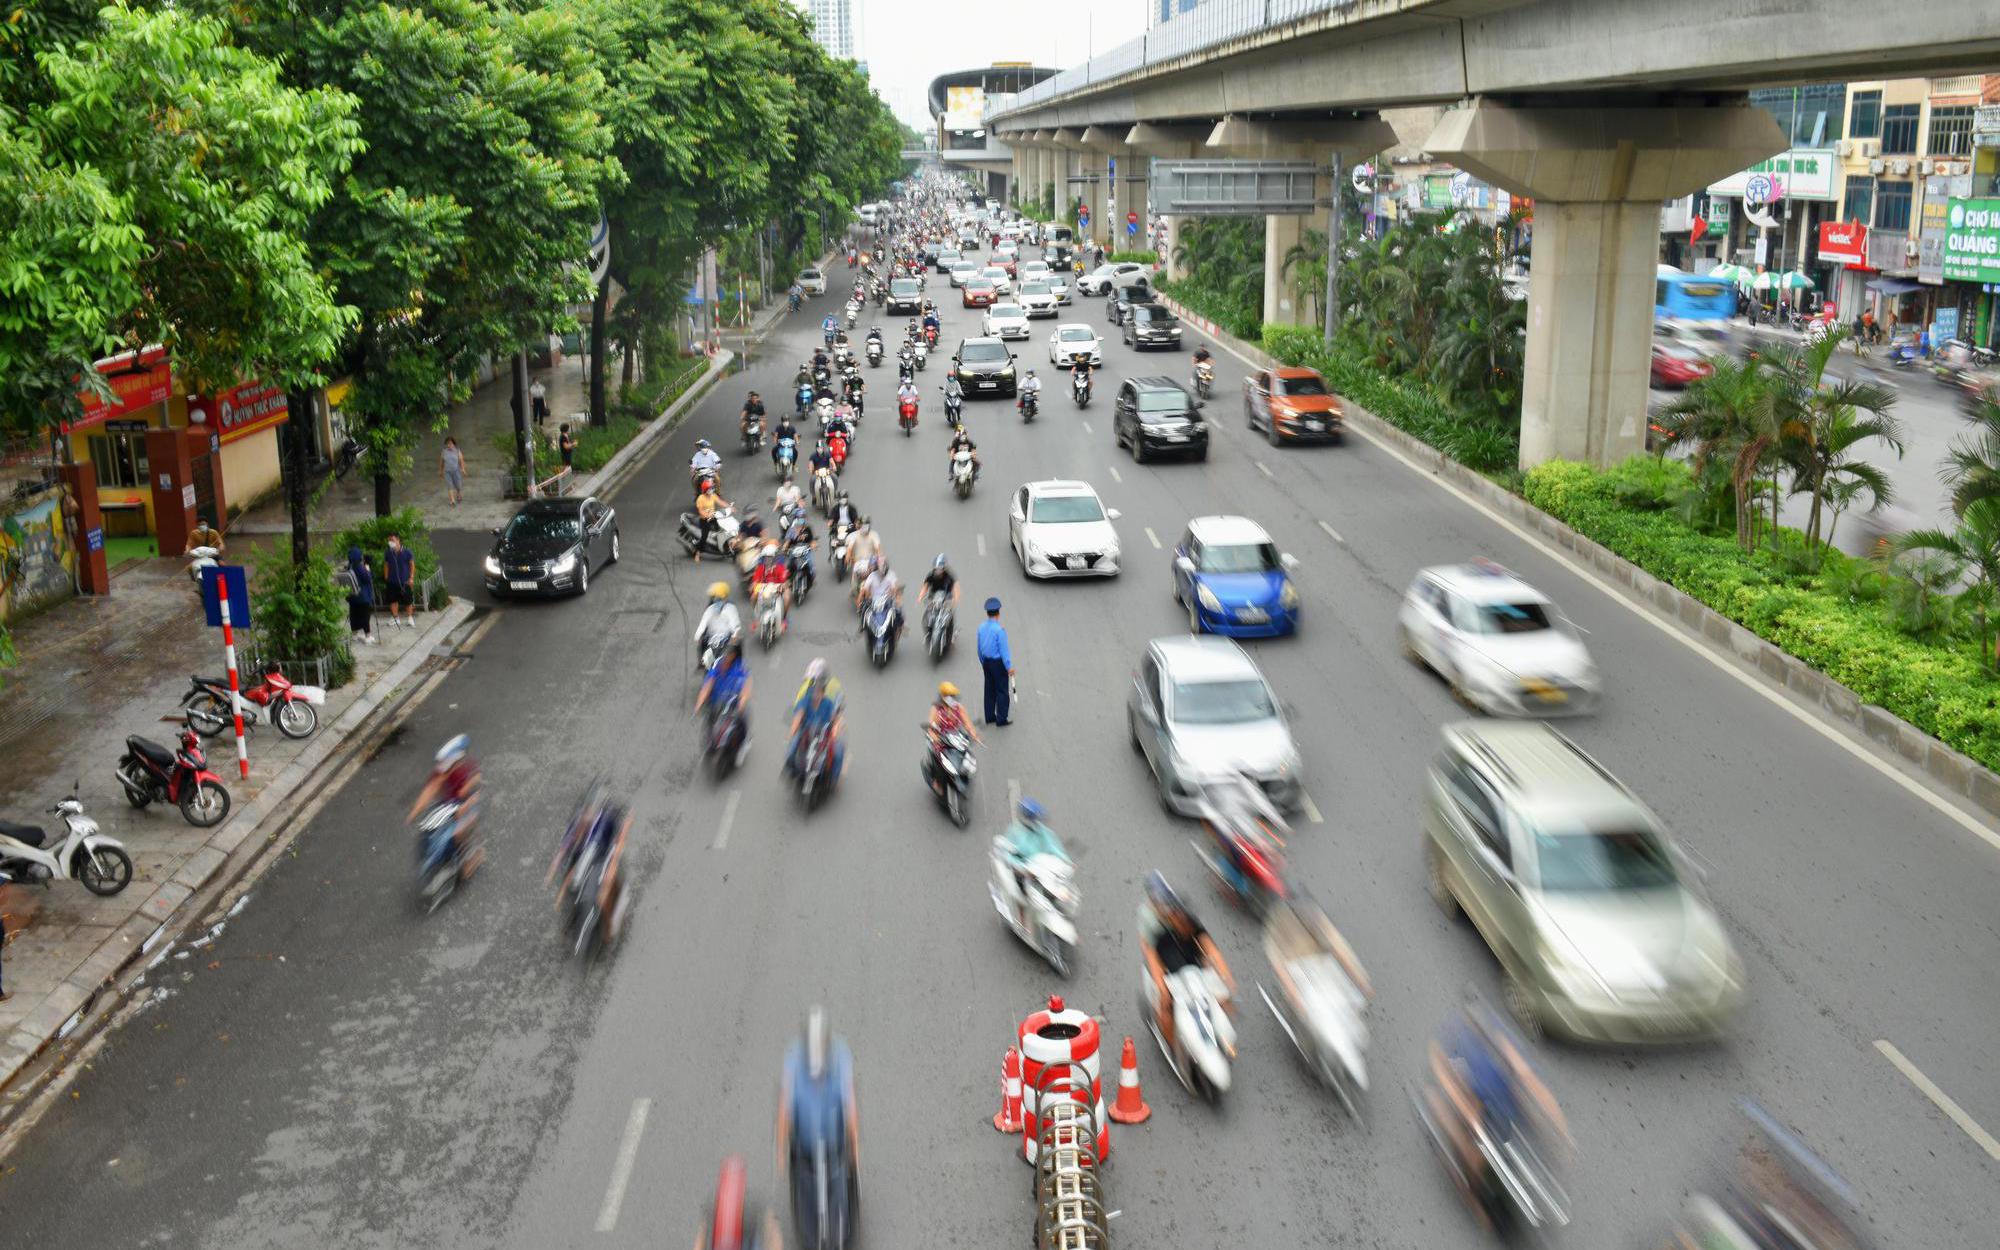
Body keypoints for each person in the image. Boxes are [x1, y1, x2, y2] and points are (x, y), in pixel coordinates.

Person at [1423, 1001, 1569, 1231]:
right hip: (1473, 1100)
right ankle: (1472, 1195)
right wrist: (1470, 1116)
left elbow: (1526, 1076)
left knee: (1532, 1120)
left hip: (1502, 1097)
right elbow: (1451, 1081)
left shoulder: (1500, 1039)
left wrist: (1558, 1129)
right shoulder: (1456, 1046)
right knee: (1471, 1150)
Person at [1139, 870, 1234, 1057]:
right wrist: (1162, 987)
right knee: (1166, 1007)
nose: (1181, 922)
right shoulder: (1153, 927)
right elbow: (1153, 958)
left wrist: (1224, 976)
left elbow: (1210, 948)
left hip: (1192, 968)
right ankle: (1172, 1047)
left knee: (1221, 998)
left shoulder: (1190, 922)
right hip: (1168, 970)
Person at [776, 1005, 860, 1200]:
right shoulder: (793, 1060)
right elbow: (784, 1110)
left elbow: (850, 1107)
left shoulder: (841, 1056)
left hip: (833, 1128)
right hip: (805, 1134)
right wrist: (781, 1151)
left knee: (847, 1171)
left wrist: (855, 1147)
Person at [407, 734, 484, 877]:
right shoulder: (442, 771)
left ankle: (468, 855)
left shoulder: (469, 769)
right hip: (448, 806)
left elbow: (474, 793)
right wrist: (415, 812)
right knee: (428, 829)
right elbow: (430, 789)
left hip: (467, 806)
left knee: (458, 832)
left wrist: (465, 805)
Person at [786, 658, 846, 782]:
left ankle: (833, 779)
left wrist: (835, 730)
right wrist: (793, 730)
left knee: (838, 750)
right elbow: (799, 713)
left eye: (816, 683)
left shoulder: (831, 697)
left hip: (824, 734)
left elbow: (836, 716)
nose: (814, 688)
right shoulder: (806, 695)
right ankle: (792, 772)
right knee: (791, 750)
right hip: (807, 731)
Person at [696, 639, 753, 753]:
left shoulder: (740, 668)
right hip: (716, 703)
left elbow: (746, 688)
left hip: (733, 705)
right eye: (725, 653)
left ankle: (744, 742)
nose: (726, 657)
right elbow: (708, 685)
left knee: (743, 719)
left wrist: (742, 702)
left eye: (729, 654)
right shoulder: (717, 665)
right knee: (709, 724)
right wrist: (699, 703)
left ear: (735, 655)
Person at [977, 597, 1013, 726]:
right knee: (1002, 690)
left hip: (986, 662)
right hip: (998, 664)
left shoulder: (981, 627)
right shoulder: (999, 630)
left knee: (989, 689)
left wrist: (983, 662)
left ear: (988, 613)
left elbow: (979, 648)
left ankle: (990, 716)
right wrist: (1009, 667)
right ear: (998, 613)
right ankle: (1001, 719)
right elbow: (1004, 651)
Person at [695, 582, 742, 663]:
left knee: (738, 645)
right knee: (702, 646)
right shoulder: (710, 609)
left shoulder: (730, 608)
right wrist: (698, 635)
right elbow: (703, 623)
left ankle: (738, 664)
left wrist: (735, 635)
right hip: (712, 637)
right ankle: (701, 663)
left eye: (715, 597)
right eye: (713, 597)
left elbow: (735, 623)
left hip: (727, 637)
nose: (713, 599)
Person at [750, 538, 792, 619]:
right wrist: (753, 585)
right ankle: (757, 614)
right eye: (766, 558)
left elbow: (785, 581)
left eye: (770, 558)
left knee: (787, 597)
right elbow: (756, 580)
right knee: (753, 597)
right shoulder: (760, 568)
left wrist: (784, 586)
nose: (767, 560)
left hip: (777, 587)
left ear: (774, 558)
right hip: (764, 587)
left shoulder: (780, 568)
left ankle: (784, 617)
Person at [382, 532, 416, 630]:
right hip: (392, 581)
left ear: (398, 540)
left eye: (392, 540)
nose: (390, 542)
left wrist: (411, 577)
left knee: (408, 600)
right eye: (389, 541)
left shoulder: (407, 552)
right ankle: (395, 618)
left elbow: (412, 565)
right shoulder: (388, 552)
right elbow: (386, 564)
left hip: (405, 581)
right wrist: (386, 576)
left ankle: (410, 618)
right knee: (393, 600)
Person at [345, 545, 377, 645]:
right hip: (363, 596)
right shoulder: (359, 567)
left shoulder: (349, 566)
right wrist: (367, 567)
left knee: (354, 615)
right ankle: (367, 636)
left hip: (353, 596)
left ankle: (354, 634)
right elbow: (368, 578)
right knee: (365, 616)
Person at [692, 479, 729, 562]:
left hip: (713, 517)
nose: (712, 490)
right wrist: (707, 515)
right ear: (705, 490)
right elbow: (700, 511)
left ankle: (719, 545)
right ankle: (697, 553)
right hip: (705, 520)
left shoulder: (713, 495)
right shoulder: (700, 499)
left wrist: (729, 506)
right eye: (710, 489)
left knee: (722, 529)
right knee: (704, 537)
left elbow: (720, 502)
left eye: (712, 488)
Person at [440, 436, 465, 507]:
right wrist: (441, 471)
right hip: (447, 472)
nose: (449, 445)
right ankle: (452, 500)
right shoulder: (444, 451)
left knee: (458, 485)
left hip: (456, 471)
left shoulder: (457, 450)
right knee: (450, 486)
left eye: (450, 443)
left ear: (454, 444)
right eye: (447, 444)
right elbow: (441, 462)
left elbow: (461, 460)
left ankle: (459, 493)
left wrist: (463, 468)